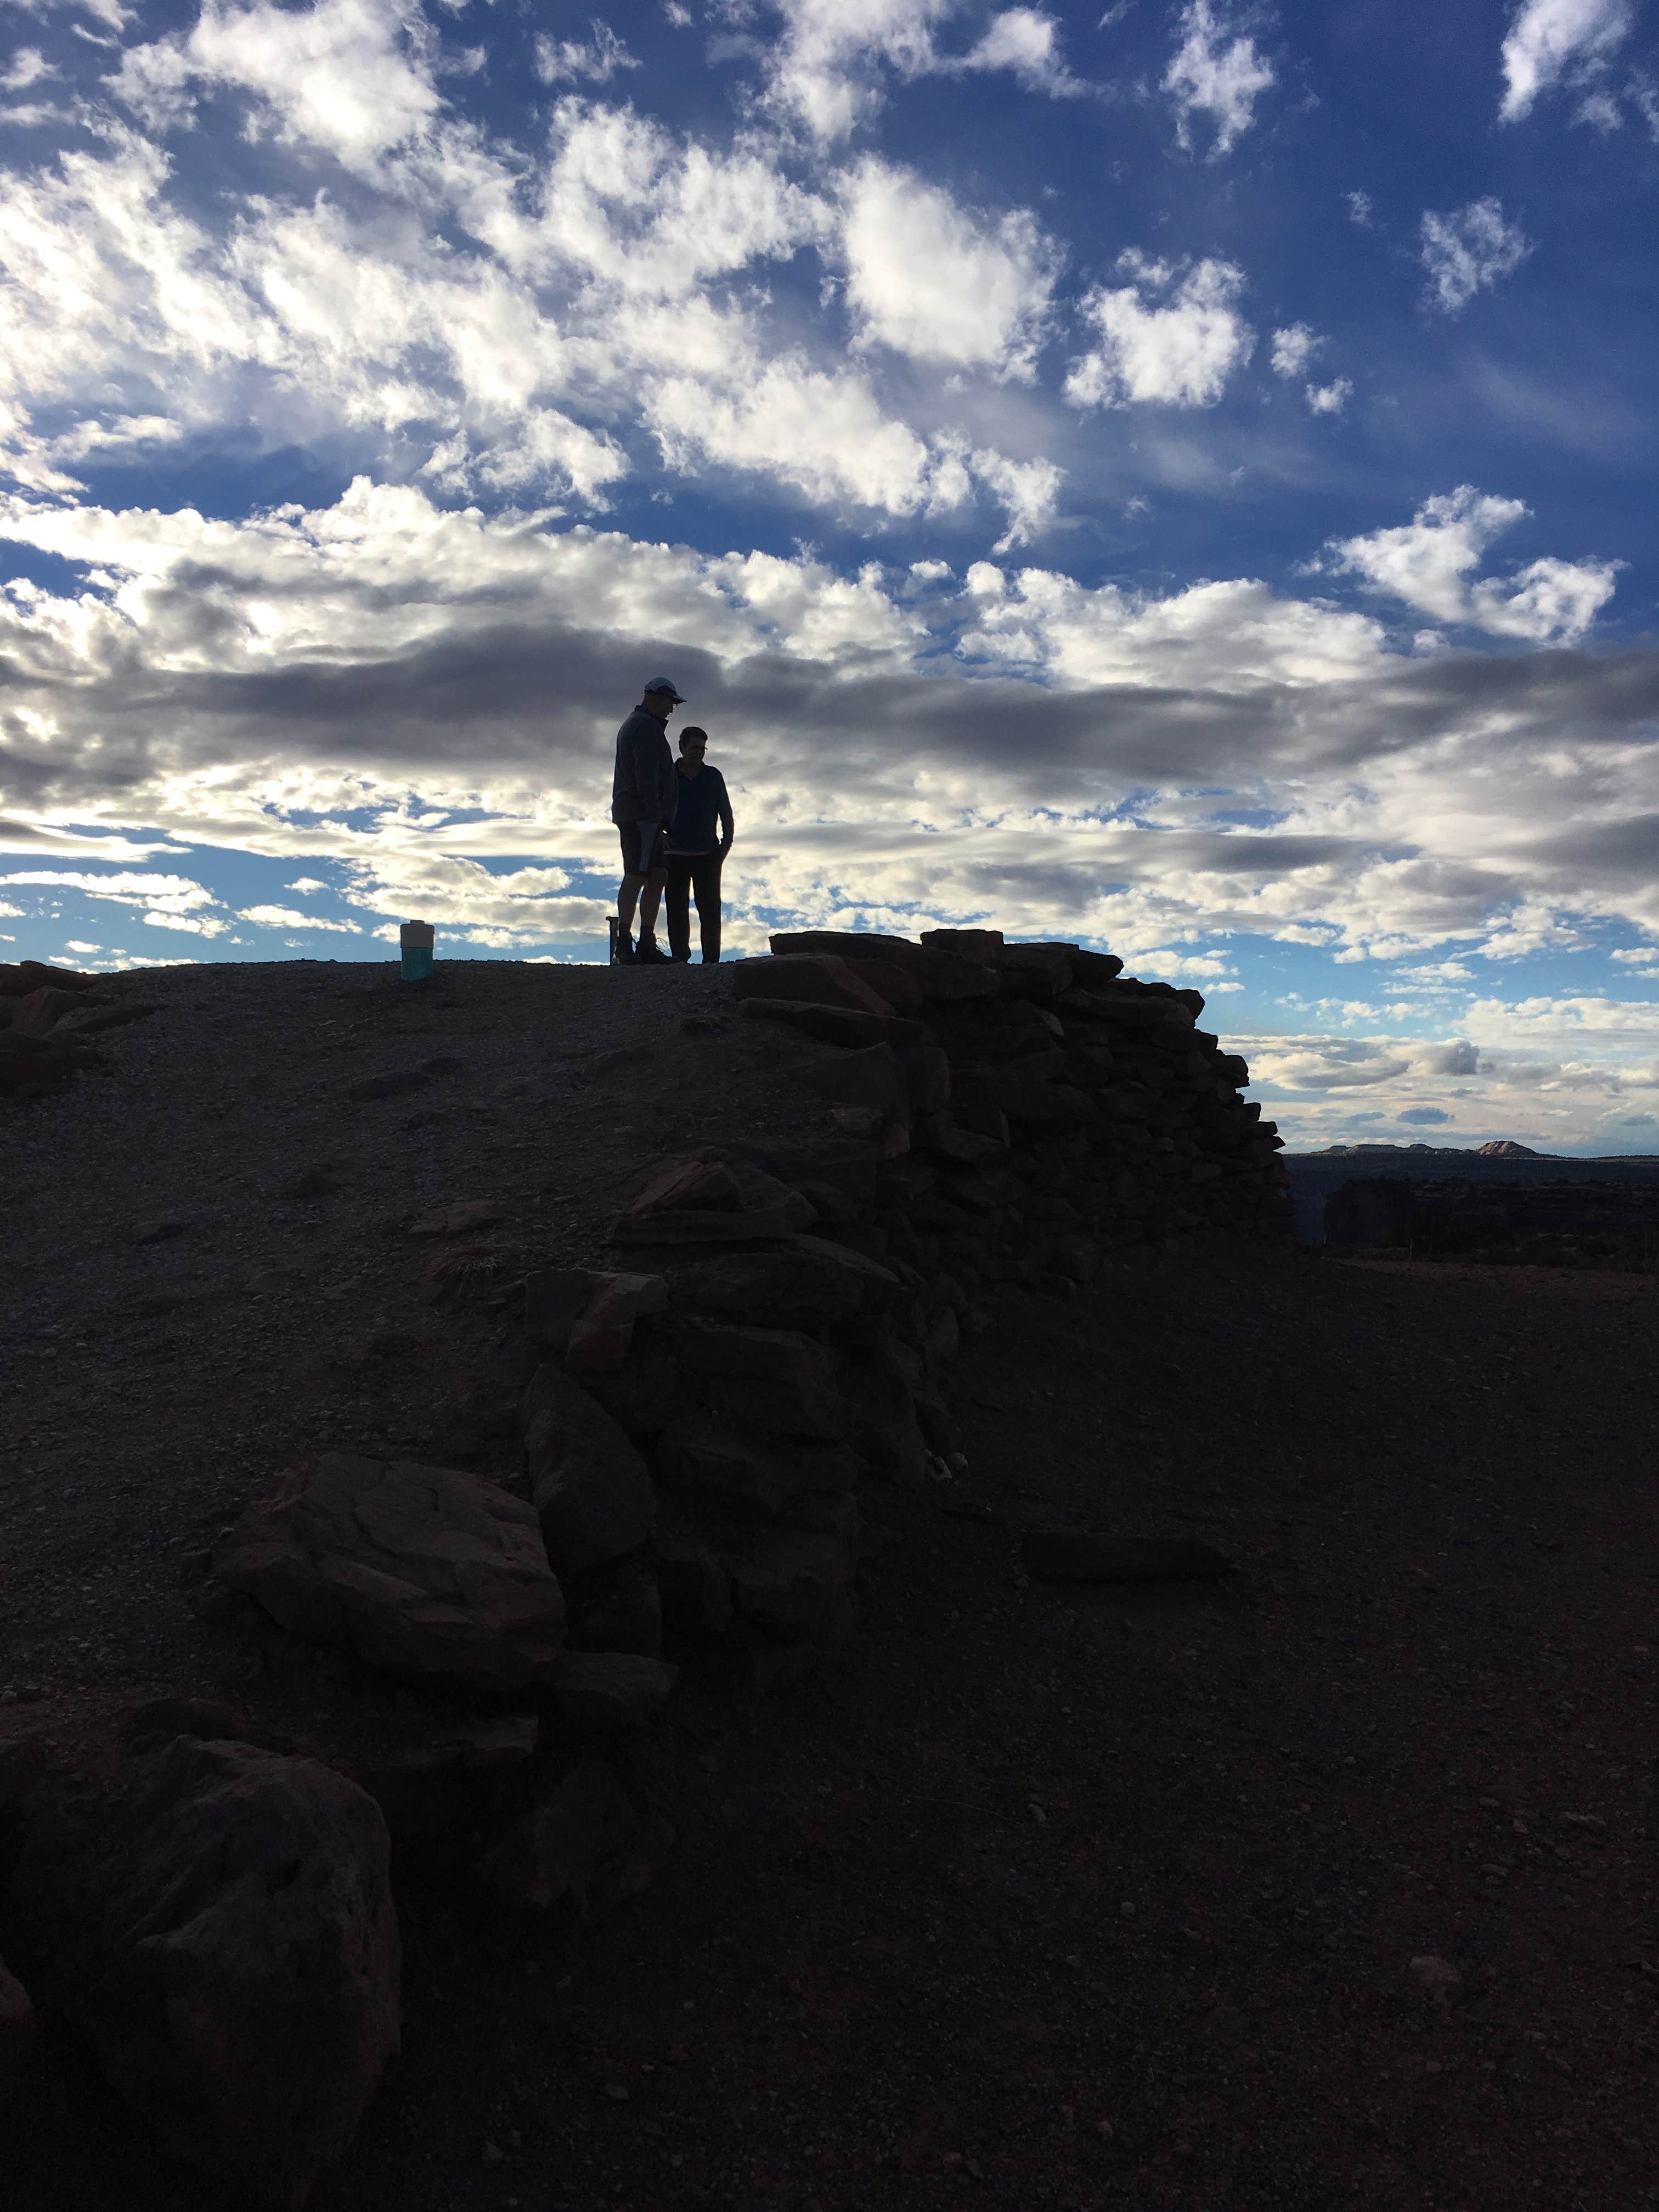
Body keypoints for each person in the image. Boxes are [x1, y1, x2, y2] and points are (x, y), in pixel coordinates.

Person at [611, 677, 683, 966]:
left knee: (657, 874)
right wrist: (656, 816)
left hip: (643, 814)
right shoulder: (644, 727)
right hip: (641, 815)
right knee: (638, 874)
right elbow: (646, 777)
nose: (672, 709)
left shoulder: (642, 725)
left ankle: (645, 943)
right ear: (655, 698)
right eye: (670, 702)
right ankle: (625, 945)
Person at [664, 725, 734, 963]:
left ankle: (711, 962)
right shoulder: (668, 774)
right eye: (695, 747)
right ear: (682, 747)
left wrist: (725, 846)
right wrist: (660, 835)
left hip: (708, 854)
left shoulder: (714, 776)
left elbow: (726, 812)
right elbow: (654, 806)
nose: (699, 753)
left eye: (703, 748)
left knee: (711, 910)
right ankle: (680, 959)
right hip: (674, 854)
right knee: (676, 910)